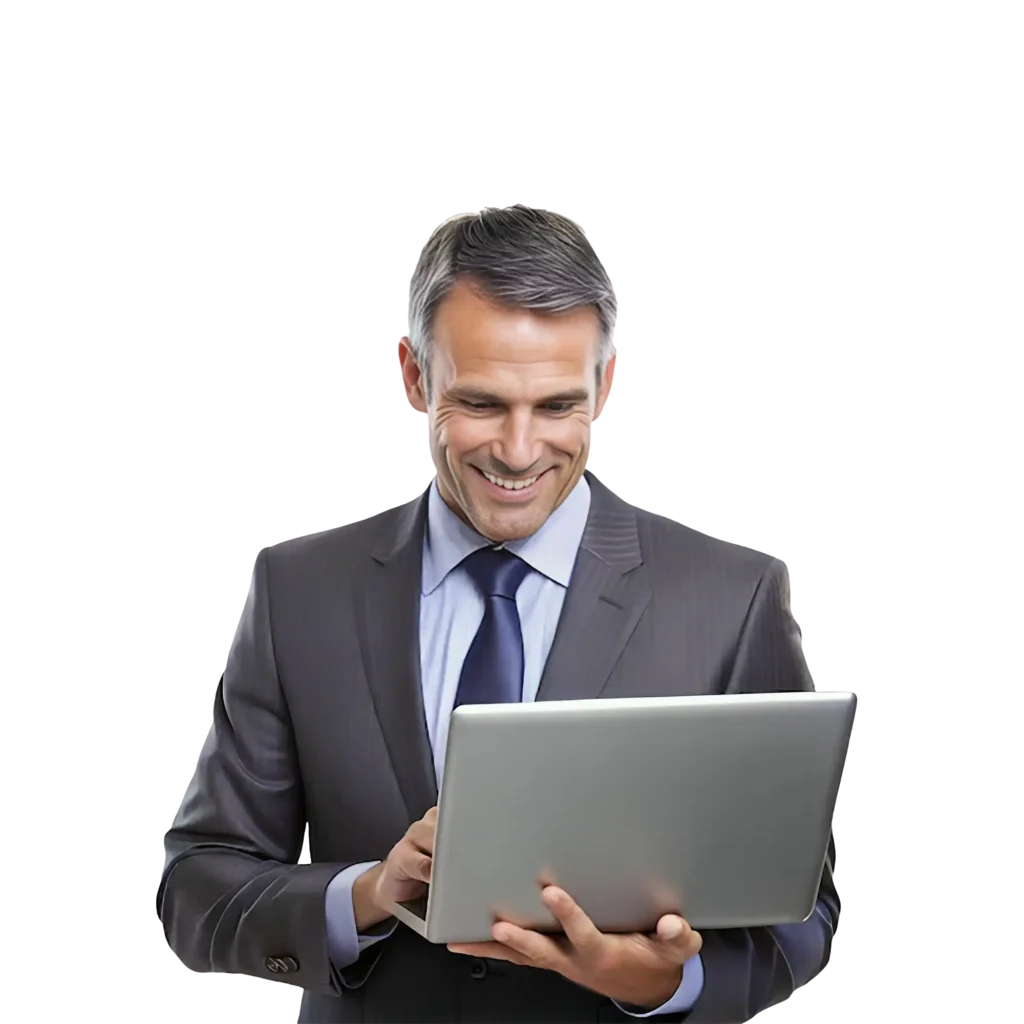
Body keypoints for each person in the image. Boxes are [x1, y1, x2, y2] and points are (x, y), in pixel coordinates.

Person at [160, 207, 837, 1023]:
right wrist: (371, 892)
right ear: (415, 378)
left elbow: (802, 921)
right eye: (481, 404)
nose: (518, 453)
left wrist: (657, 981)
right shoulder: (299, 591)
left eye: (557, 407)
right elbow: (198, 889)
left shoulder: (731, 599)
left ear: (606, 386)